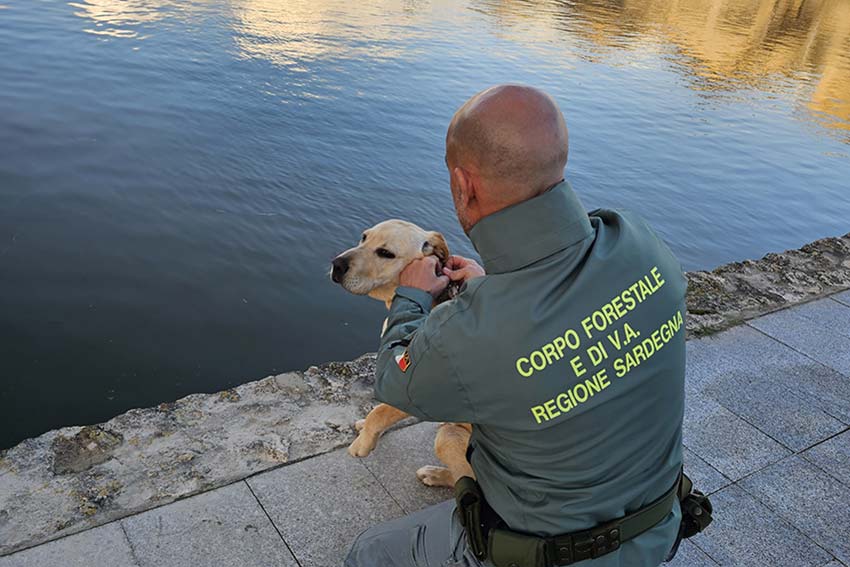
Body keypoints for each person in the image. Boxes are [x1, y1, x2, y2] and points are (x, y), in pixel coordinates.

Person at [344, 85, 688, 567]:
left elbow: (394, 378)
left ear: (463, 185)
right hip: (659, 522)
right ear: (558, 160)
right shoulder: (639, 242)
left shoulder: (472, 335)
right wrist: (491, 286)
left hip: (555, 553)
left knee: (371, 552)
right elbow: (562, 301)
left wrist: (412, 296)